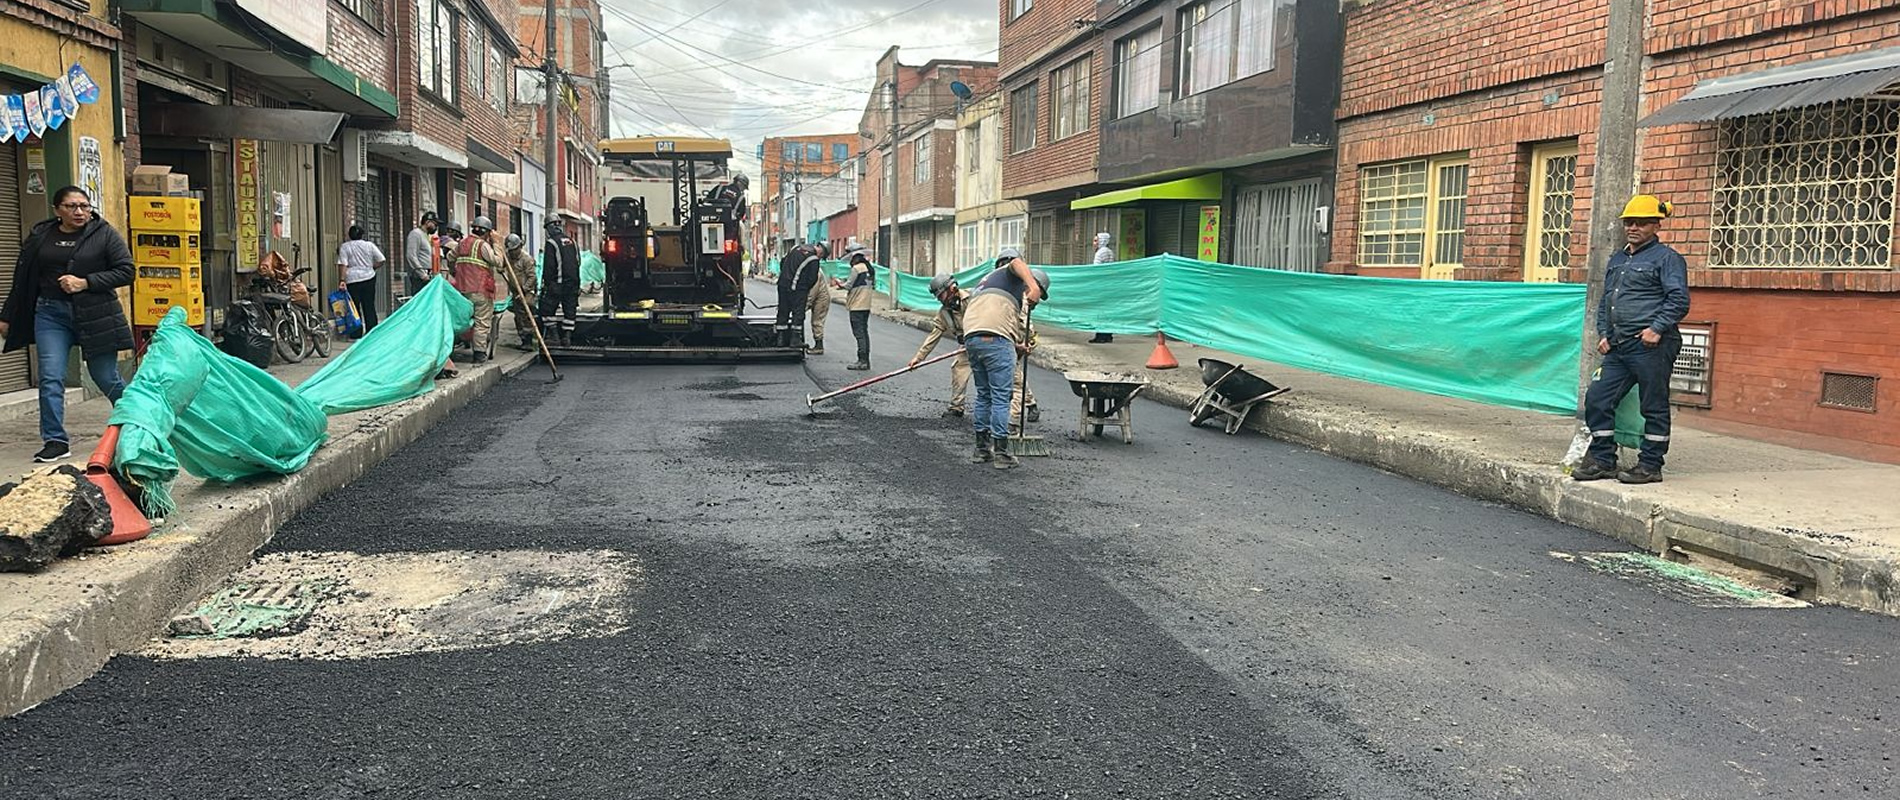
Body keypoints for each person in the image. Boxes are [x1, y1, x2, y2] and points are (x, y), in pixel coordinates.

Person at [0, 187, 135, 462]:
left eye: (84, 206)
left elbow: (126, 270)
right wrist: (8, 315)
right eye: (72, 206)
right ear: (57, 209)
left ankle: (135, 422)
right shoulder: (40, 237)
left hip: (96, 313)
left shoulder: (104, 234)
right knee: (50, 377)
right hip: (50, 313)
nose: (80, 212)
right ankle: (55, 441)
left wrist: (86, 282)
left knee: (105, 376)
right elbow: (23, 279)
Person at [1575, 195, 1690, 485]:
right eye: (1629, 222)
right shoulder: (1618, 259)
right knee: (1598, 398)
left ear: (1656, 225)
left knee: (1653, 405)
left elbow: (1678, 299)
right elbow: (1607, 301)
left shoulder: (1667, 258)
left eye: (1641, 222)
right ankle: (1603, 460)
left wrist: (1657, 328)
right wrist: (1604, 333)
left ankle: (1650, 465)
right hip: (1619, 346)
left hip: (1652, 345)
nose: (1633, 227)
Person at [961, 247, 1047, 469]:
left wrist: (1015, 345)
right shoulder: (1010, 271)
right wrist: (1034, 287)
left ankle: (981, 450)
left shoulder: (986, 281)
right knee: (1001, 397)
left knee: (984, 395)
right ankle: (1001, 453)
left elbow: (991, 323)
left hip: (973, 338)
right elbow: (1017, 263)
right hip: (995, 340)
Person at [909, 273, 972, 418]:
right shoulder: (944, 313)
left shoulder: (972, 299)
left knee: (1010, 373)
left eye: (941, 295)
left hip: (987, 343)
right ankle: (957, 407)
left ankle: (1029, 403)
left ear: (951, 289)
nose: (939, 299)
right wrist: (919, 358)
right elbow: (933, 336)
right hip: (967, 347)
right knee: (958, 368)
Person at [451, 216, 502, 362]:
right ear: (487, 233)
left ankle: (455, 345)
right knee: (481, 322)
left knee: (461, 319)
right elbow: (498, 262)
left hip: (461, 291)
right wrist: (497, 244)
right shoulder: (482, 245)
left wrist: (454, 273)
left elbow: (450, 258)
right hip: (480, 291)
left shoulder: (461, 244)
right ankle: (479, 354)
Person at [775, 241, 828, 348]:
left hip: (782, 284)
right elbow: (812, 279)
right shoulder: (813, 259)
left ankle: (780, 339)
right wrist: (803, 289)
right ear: (821, 252)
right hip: (798, 289)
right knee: (798, 313)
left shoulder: (796, 248)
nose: (820, 258)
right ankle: (795, 340)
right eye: (822, 257)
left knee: (783, 311)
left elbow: (783, 262)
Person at [336, 224, 386, 336]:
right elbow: (382, 259)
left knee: (354, 307)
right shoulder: (369, 245)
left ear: (349, 235)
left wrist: (342, 280)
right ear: (362, 235)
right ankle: (372, 331)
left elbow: (343, 264)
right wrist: (373, 267)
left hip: (352, 280)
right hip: (369, 277)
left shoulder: (345, 247)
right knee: (369, 305)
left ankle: (356, 333)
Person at [539, 220, 581, 346]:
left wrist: (547, 284)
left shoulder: (551, 243)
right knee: (570, 311)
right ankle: (567, 338)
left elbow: (549, 267)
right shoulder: (572, 241)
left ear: (550, 228)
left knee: (547, 310)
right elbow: (578, 262)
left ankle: (554, 336)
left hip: (557, 284)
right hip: (573, 284)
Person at [500, 233, 539, 350]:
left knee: (526, 311)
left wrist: (524, 290)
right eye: (510, 250)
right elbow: (502, 265)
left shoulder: (526, 259)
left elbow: (532, 277)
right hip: (515, 291)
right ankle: (523, 338)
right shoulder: (507, 256)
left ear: (519, 247)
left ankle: (529, 339)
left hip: (527, 290)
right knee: (518, 316)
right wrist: (500, 267)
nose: (512, 253)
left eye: (514, 250)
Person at [843, 247, 876, 370]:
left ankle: (862, 361)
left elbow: (848, 286)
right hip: (866, 305)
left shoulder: (856, 269)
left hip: (856, 305)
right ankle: (866, 360)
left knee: (859, 334)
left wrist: (839, 283)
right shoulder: (870, 269)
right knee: (864, 332)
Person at [1088, 232, 1116, 344]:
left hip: (1101, 285)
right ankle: (1108, 335)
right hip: (1109, 285)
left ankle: (1100, 335)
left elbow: (1096, 270)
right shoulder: (1110, 252)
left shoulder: (1100, 253)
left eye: (1096, 240)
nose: (1094, 243)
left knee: (1100, 311)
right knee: (1107, 310)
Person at [404, 211, 438, 298]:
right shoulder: (416, 234)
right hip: (420, 278)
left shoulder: (427, 236)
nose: (436, 227)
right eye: (435, 224)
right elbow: (411, 256)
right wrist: (422, 275)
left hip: (429, 275)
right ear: (427, 222)